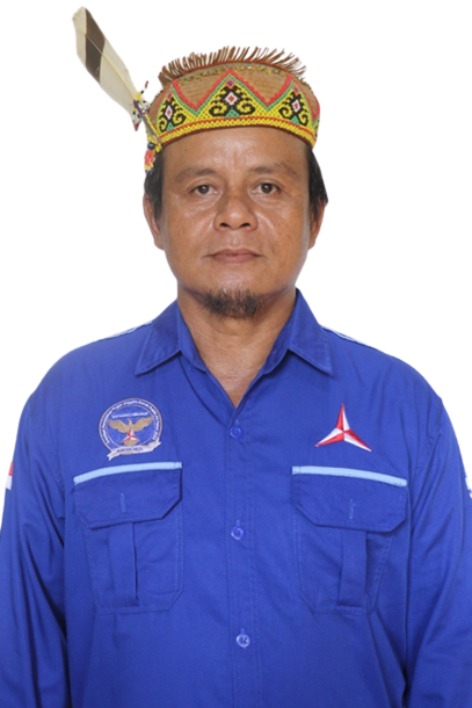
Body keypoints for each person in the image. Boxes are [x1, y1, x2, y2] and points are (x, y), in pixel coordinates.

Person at [1, 10, 471, 707]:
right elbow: (22, 664)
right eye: (201, 188)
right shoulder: (66, 406)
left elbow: (454, 659)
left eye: (268, 186)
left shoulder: (406, 413)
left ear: (316, 217)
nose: (234, 213)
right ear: (154, 219)